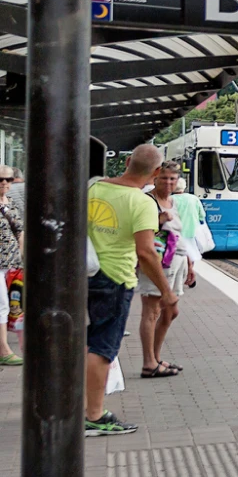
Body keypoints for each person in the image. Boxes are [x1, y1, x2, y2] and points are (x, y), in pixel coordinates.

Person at [87, 143, 170, 436]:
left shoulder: (95, 188)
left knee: (88, 342)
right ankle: (94, 415)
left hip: (87, 274)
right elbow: (146, 252)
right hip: (116, 278)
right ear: (156, 172)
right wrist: (167, 292)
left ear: (126, 162)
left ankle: (80, 406)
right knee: (102, 347)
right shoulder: (142, 202)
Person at [137, 162, 194, 378]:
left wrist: (189, 263)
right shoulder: (148, 201)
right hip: (157, 262)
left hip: (176, 260)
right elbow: (142, 233)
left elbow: (180, 235)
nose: (169, 182)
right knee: (152, 311)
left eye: (172, 179)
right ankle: (148, 363)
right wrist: (159, 221)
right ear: (155, 177)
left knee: (171, 311)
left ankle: (156, 357)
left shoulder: (172, 201)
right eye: (164, 178)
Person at [0, 166, 20, 366]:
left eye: (9, 179)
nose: (4, 183)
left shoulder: (10, 202)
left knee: (7, 303)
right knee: (2, 305)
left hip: (11, 263)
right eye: (0, 179)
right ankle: (3, 349)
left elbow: (20, 230)